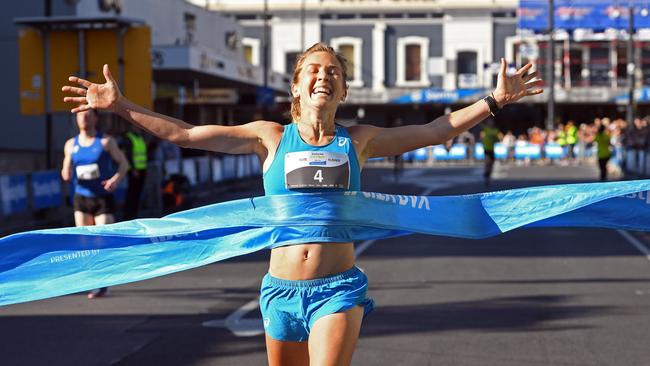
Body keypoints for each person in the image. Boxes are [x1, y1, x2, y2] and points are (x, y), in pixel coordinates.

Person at [63, 43, 542, 365]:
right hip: (279, 293)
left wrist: (495, 101)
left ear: (343, 90)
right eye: (314, 69)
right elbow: (185, 134)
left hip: (337, 289)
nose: (324, 75)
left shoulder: (361, 140)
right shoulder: (268, 137)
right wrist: (122, 106)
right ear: (295, 87)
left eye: (333, 71)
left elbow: (438, 130)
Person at [60, 108, 130, 299]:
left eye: (88, 115)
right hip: (81, 197)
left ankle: (105, 280)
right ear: (76, 119)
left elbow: (124, 164)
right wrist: (65, 172)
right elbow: (66, 168)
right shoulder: (70, 144)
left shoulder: (105, 142)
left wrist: (115, 179)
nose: (84, 118)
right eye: (80, 115)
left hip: (102, 197)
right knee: (85, 243)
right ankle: (94, 281)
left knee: (102, 240)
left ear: (95, 118)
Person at [121, 126, 148, 220]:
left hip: (142, 169)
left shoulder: (139, 137)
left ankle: (134, 214)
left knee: (137, 193)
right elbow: (128, 154)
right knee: (131, 193)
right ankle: (128, 215)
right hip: (134, 171)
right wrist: (132, 169)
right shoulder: (129, 137)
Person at [480, 118, 502, 186]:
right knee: (487, 162)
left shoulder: (495, 130)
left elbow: (500, 137)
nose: (490, 123)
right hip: (486, 149)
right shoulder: (485, 129)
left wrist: (498, 139)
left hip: (492, 149)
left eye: (491, 122)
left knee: (492, 162)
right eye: (489, 122)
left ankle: (488, 175)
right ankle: (486, 175)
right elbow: (482, 135)